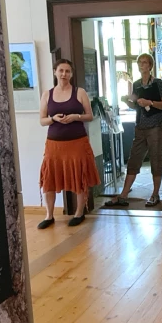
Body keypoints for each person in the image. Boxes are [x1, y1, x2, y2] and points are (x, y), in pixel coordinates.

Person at [38, 59, 101, 229]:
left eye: (67, 71)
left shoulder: (80, 92)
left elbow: (90, 116)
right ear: (55, 72)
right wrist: (53, 118)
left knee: (79, 177)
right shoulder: (47, 94)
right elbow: (42, 120)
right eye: (61, 70)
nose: (64, 74)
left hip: (77, 143)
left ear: (71, 74)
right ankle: (49, 215)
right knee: (49, 178)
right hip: (54, 144)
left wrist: (76, 117)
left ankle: (79, 212)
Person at [105, 53, 162, 208]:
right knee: (134, 159)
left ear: (150, 66)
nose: (141, 65)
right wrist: (128, 101)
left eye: (145, 62)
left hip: (156, 126)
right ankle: (124, 194)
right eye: (139, 62)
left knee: (156, 159)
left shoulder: (158, 83)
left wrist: (150, 102)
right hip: (140, 126)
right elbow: (135, 105)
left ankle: (155, 194)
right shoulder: (137, 84)